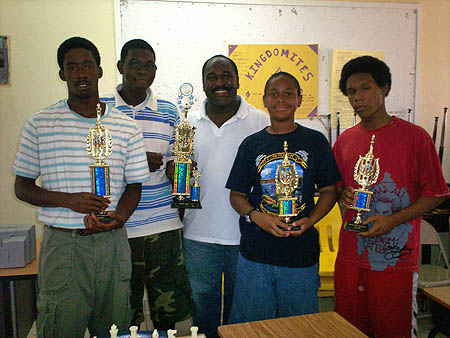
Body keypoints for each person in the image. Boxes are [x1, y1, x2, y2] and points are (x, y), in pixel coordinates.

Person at [13, 37, 150, 338]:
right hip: (64, 246)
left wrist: (119, 218)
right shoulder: (40, 123)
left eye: (88, 66)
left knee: (114, 329)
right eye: (71, 67)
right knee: (60, 327)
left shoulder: (126, 126)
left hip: (112, 243)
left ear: (100, 71)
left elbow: (135, 186)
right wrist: (69, 200)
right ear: (62, 74)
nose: (81, 74)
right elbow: (22, 187)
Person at [332, 55, 449, 338]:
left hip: (395, 260)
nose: (358, 97)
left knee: (392, 331)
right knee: (348, 331)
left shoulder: (416, 137)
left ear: (384, 88)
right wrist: (342, 197)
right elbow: (337, 189)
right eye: (351, 92)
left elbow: (436, 193)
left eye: (365, 88)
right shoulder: (345, 140)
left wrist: (392, 220)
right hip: (351, 258)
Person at [225, 71, 341, 323]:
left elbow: (330, 191)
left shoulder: (315, 141)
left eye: (289, 94)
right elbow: (237, 196)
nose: (281, 100)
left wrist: (310, 220)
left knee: (299, 326)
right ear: (264, 100)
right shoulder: (251, 144)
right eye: (274, 94)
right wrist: (257, 217)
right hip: (256, 254)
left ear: (300, 99)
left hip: (300, 254)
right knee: (253, 326)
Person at [101, 39, 195, 331]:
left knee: (170, 315)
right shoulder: (100, 109)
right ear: (120, 67)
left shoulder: (169, 112)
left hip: (163, 227)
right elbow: (89, 163)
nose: (142, 71)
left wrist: (176, 170)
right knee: (121, 314)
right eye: (134, 64)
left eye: (148, 65)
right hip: (118, 225)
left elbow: (182, 165)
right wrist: (136, 160)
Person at [179, 55, 270, 338]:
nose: (220, 83)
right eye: (212, 77)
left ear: (237, 80)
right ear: (204, 83)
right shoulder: (188, 122)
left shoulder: (259, 121)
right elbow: (181, 175)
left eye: (226, 76)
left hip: (245, 235)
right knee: (202, 314)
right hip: (198, 236)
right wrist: (177, 171)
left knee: (240, 315)